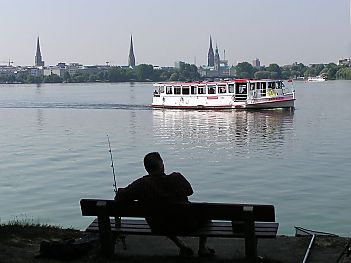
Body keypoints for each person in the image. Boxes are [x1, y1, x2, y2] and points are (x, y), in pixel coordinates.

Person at [115, 152, 215, 257]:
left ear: (147, 168)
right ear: (162, 165)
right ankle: (202, 248)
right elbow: (190, 191)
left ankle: (182, 247)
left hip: (159, 226)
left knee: (162, 217)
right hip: (187, 224)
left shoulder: (142, 184)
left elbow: (120, 197)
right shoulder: (176, 178)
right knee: (205, 210)